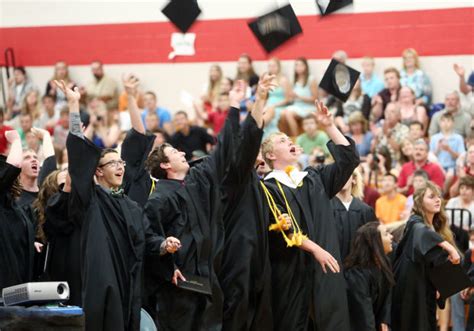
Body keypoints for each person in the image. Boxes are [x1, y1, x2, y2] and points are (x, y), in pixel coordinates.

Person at [55, 79, 180, 331]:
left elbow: (147, 238)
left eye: (121, 163)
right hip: (102, 283)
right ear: (98, 172)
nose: (120, 167)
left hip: (130, 282)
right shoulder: (90, 199)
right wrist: (73, 105)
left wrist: (164, 246)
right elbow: (78, 152)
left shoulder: (131, 206)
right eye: (113, 163)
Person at [143, 80, 251, 330]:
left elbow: (224, 148)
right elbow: (147, 238)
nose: (183, 153)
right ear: (166, 166)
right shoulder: (159, 198)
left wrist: (234, 105)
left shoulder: (198, 179)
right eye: (175, 154)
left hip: (208, 277)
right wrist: (164, 250)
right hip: (178, 283)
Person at [261, 100, 359, 330]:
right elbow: (286, 230)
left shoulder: (314, 178)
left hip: (325, 270)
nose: (290, 142)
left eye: (289, 139)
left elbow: (349, 160)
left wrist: (329, 127)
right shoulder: (268, 188)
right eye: (282, 141)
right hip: (291, 272)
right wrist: (316, 250)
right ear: (271, 155)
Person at [219, 75, 275, 331]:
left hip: (257, 252)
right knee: (238, 307)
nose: (259, 157)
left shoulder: (252, 178)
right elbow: (245, 141)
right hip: (239, 252)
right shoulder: (234, 176)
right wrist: (259, 99)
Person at [391, 181, 461, 331]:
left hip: (425, 286)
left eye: (439, 197)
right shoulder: (414, 223)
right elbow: (421, 233)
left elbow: (436, 261)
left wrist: (441, 286)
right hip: (410, 287)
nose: (437, 200)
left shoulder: (436, 226)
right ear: (419, 202)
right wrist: (449, 247)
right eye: (431, 197)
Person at [0, 130, 35, 291]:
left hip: (19, 280)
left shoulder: (15, 207)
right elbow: (14, 165)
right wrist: (15, 140)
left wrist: (30, 242)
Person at [344, 222, 394, 331]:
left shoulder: (385, 263)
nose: (391, 237)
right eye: (386, 234)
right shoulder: (356, 274)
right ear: (375, 242)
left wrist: (384, 320)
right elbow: (363, 314)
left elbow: (387, 296)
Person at [331, 168, 376, 261]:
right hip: (332, 266)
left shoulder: (365, 210)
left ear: (354, 180)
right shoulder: (326, 208)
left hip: (359, 268)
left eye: (346, 175)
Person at [281, 57, 318, 136]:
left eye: (301, 65)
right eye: (297, 65)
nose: (298, 67)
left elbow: (315, 99)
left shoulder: (311, 79)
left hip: (308, 107)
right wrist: (290, 96)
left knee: (288, 114)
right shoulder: (295, 80)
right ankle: (287, 137)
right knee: (282, 114)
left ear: (305, 67)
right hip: (297, 106)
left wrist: (299, 97)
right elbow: (292, 98)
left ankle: (296, 137)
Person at [263, 57, 292, 139]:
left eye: (274, 66)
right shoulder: (268, 80)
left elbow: (288, 99)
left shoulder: (283, 80)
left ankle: (271, 136)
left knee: (271, 114)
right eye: (270, 66)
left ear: (278, 67)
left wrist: (274, 105)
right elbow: (265, 97)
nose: (271, 68)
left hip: (279, 106)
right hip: (269, 104)